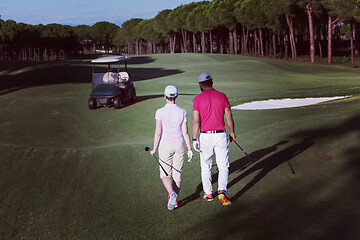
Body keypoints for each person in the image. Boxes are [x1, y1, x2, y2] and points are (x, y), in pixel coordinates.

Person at [192, 73, 236, 206]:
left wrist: (194, 139)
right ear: (212, 82)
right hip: (221, 135)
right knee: (223, 165)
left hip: (205, 136)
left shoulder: (197, 99)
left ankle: (209, 194)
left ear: (200, 84)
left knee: (206, 165)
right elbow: (228, 114)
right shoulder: (222, 95)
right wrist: (232, 132)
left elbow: (195, 121)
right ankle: (222, 191)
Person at [150, 85, 193, 210]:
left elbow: (158, 132)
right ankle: (174, 201)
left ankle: (171, 193)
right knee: (177, 175)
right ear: (177, 96)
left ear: (165, 96)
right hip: (179, 144)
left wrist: (154, 149)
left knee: (165, 174)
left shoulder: (160, 112)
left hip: (165, 144)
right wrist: (189, 149)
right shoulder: (182, 111)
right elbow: (185, 132)